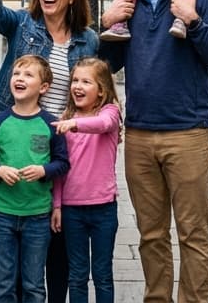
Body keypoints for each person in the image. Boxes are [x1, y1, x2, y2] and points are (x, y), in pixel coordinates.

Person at [98, 0, 208, 303]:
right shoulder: (129, 2)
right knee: (151, 235)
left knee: (193, 234)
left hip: (187, 133)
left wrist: (193, 22)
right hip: (139, 134)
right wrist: (105, 26)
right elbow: (105, 63)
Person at [0, 0, 98, 301]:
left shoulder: (87, 39)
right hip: (22, 138)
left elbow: (95, 82)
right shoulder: (24, 25)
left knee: (58, 237)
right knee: (20, 239)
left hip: (64, 142)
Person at [0, 55, 70, 303]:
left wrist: (44, 171)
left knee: (33, 285)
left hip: (38, 216)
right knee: (4, 284)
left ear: (44, 87)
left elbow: (63, 163)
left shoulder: (51, 124)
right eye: (16, 73)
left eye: (28, 75)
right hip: (3, 214)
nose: (20, 78)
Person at [52, 58, 122, 303]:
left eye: (85, 81)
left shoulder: (110, 112)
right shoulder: (66, 116)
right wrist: (57, 205)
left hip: (104, 208)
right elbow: (60, 168)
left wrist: (74, 125)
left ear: (101, 89)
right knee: (77, 274)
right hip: (72, 210)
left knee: (103, 273)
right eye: (74, 80)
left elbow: (104, 124)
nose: (77, 86)